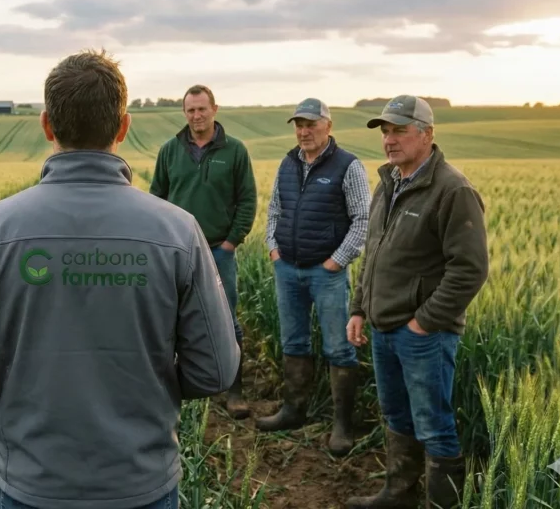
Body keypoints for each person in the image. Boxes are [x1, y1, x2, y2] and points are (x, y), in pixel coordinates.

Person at [0, 49, 240, 509]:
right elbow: (214, 369)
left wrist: (25, 381)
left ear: (47, 125)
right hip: (141, 481)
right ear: (123, 127)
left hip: (31, 484)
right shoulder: (178, 231)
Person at [345, 95, 488, 509]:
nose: (389, 140)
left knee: (434, 426)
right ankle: (399, 494)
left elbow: (470, 269)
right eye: (385, 131)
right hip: (383, 327)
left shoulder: (452, 189)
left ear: (426, 134)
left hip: (422, 334)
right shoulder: (388, 182)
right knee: (396, 416)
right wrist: (359, 308)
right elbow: (373, 254)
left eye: (399, 130)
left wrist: (423, 322)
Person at [256, 98, 371, 457]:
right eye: (298, 125)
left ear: (328, 126)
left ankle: (341, 425)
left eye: (311, 124)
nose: (303, 131)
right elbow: (274, 209)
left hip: (327, 274)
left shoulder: (348, 165)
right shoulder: (288, 163)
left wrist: (336, 262)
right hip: (287, 268)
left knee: (339, 347)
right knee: (293, 341)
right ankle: (293, 410)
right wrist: (273, 248)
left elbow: (363, 221)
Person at [148, 84, 257, 419]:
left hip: (218, 252)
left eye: (202, 109)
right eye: (190, 110)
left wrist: (230, 242)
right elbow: (157, 199)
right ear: (185, 113)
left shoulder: (235, 151)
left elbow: (248, 200)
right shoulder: (170, 150)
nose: (196, 115)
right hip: (177, 252)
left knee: (226, 318)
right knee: (170, 317)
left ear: (215, 109)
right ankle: (175, 388)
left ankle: (234, 392)